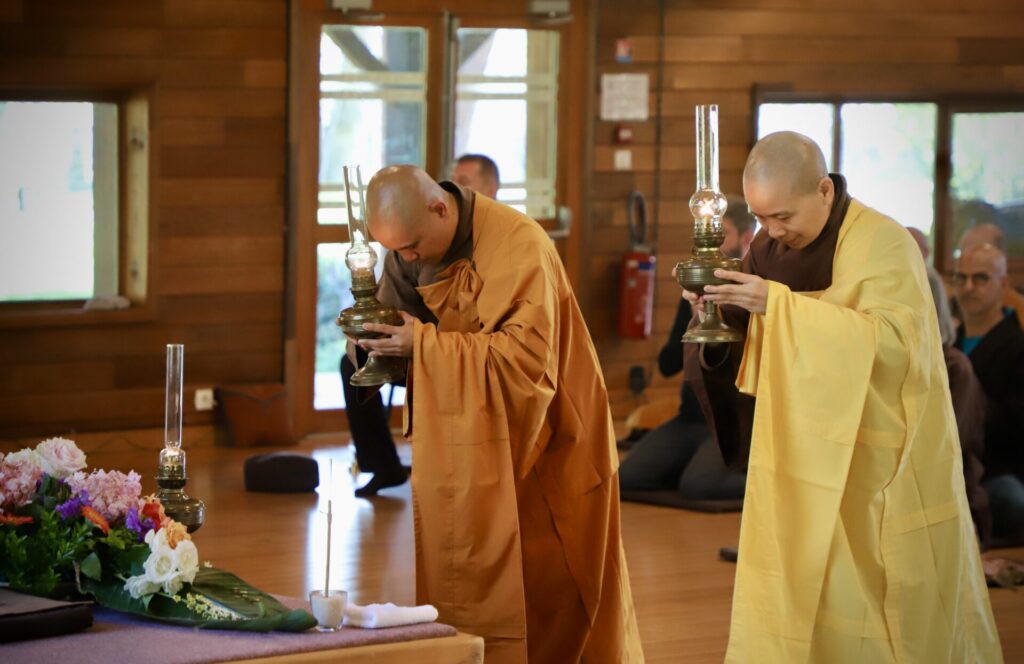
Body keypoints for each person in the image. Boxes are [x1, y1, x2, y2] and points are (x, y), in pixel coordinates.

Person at [681, 131, 1000, 662]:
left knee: (882, 585)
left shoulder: (883, 243)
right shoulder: (768, 250)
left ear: (824, 190)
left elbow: (897, 345)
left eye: (782, 216)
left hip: (881, 453)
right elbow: (745, 339)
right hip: (802, 452)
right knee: (805, 574)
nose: (772, 231)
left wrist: (779, 306)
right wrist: (711, 312)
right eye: (761, 218)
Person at [355, 165, 643, 663]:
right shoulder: (408, 251)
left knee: (554, 582)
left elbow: (526, 363)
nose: (406, 259)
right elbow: (397, 333)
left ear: (440, 208)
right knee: (467, 562)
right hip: (469, 440)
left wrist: (420, 344)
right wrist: (372, 342)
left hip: (550, 432)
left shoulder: (518, 243)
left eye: (411, 247)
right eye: (395, 251)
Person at [339, 156, 501, 497]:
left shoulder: (504, 240)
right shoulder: (410, 240)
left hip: (477, 361)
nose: (453, 188)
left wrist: (429, 343)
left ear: (491, 189)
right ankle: (382, 464)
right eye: (452, 178)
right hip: (418, 350)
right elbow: (392, 306)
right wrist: (369, 332)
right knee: (353, 362)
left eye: (465, 181)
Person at [618, 197, 753, 500]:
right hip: (691, 417)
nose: (714, 243)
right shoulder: (697, 289)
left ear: (746, 237)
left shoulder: (755, 291)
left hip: (733, 420)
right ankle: (691, 465)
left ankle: (773, 487)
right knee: (628, 477)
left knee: (700, 485)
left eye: (724, 234)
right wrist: (694, 316)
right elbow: (667, 365)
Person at [953, 243, 1024, 545]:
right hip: (952, 467)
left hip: (996, 472)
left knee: (1009, 499)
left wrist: (971, 400)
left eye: (980, 278)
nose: (969, 287)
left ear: (1003, 284)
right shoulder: (951, 342)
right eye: (961, 277)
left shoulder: (1018, 346)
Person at [959, 222, 1024, 330]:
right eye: (964, 253)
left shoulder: (1019, 314)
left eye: (981, 251)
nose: (968, 286)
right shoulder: (951, 305)